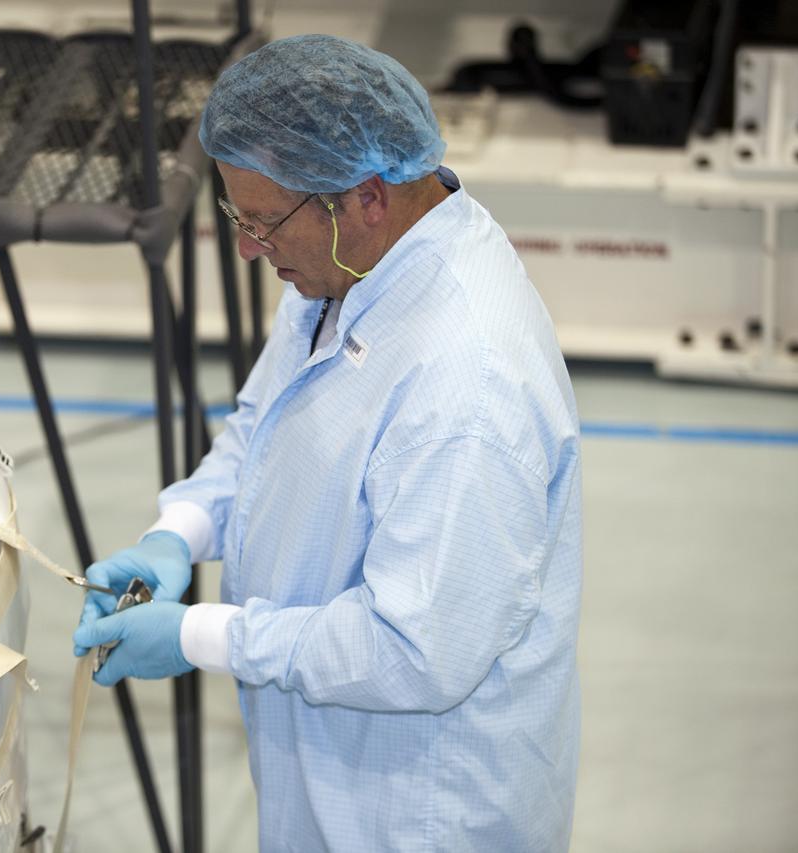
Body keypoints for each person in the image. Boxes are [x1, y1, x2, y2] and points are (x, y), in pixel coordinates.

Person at [73, 33, 582, 852]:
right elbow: (265, 425)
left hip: (419, 808)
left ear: (366, 197)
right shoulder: (348, 267)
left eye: (262, 221)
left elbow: (412, 651)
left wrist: (204, 634)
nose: (246, 247)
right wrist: (182, 530)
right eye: (236, 216)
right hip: (326, 765)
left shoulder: (468, 388)